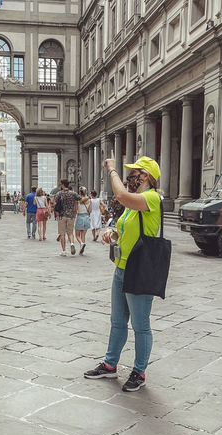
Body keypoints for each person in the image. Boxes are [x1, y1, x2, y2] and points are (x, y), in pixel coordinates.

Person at [84, 154, 162, 392]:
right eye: (127, 174)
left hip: (139, 269)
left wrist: (113, 171)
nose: (129, 177)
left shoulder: (151, 198)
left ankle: (139, 372)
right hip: (121, 267)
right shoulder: (134, 203)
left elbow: (120, 195)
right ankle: (110, 365)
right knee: (117, 322)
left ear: (145, 176)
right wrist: (112, 234)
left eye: (133, 173)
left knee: (141, 325)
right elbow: (125, 230)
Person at [56, 179, 81, 256]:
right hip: (71, 215)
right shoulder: (73, 194)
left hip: (62, 216)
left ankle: (64, 251)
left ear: (63, 185)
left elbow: (54, 202)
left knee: (62, 233)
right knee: (70, 232)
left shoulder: (59, 194)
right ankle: (72, 244)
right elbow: (80, 198)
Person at [74, 187, 92, 255]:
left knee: (77, 235)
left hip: (80, 217)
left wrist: (74, 216)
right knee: (83, 235)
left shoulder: (77, 201)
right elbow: (90, 211)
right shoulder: (89, 200)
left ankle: (81, 243)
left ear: (80, 192)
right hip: (86, 217)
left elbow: (76, 210)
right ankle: (82, 247)